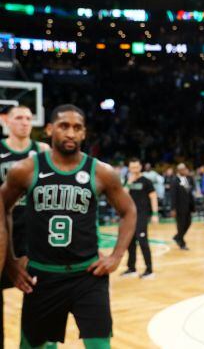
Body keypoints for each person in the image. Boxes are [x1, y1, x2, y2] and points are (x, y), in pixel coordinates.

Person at [0, 104, 136, 348]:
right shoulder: (26, 170)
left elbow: (129, 211)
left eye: (77, 128)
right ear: (50, 130)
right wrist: (10, 261)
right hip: (41, 277)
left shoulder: (101, 172)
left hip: (88, 276)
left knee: (100, 345)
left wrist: (116, 256)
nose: (71, 133)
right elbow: (3, 208)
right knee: (32, 345)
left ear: (84, 133)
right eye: (64, 126)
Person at [0, 105, 50, 346]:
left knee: (38, 301)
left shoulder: (43, 151)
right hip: (2, 233)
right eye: (18, 117)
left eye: (29, 118)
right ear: (6, 121)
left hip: (33, 236)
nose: (24, 122)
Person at [121, 157, 158, 279]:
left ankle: (149, 270)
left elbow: (153, 197)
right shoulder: (127, 181)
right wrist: (129, 183)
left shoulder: (146, 181)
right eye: (132, 167)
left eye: (136, 167)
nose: (134, 169)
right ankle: (131, 268)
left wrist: (155, 214)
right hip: (129, 216)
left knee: (143, 242)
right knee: (130, 243)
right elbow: (123, 196)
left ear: (140, 167)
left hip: (142, 215)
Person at [171, 162, 194, 250]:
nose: (185, 170)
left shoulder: (185, 179)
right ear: (179, 170)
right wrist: (173, 208)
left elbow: (188, 193)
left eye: (185, 169)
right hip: (179, 207)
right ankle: (182, 243)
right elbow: (173, 195)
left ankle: (177, 237)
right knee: (180, 225)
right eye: (183, 169)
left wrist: (192, 206)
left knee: (188, 223)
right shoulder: (174, 180)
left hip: (187, 207)